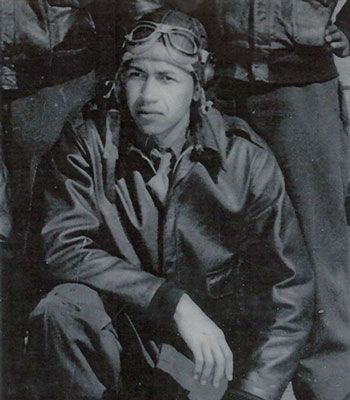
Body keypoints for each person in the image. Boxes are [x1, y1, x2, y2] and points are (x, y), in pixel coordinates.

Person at [25, 9, 314, 400]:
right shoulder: (87, 144)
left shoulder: (245, 160)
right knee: (63, 309)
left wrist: (255, 391)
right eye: (136, 75)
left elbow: (289, 289)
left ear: (197, 88)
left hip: (208, 362)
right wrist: (171, 301)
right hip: (122, 346)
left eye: (167, 78)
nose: (146, 95)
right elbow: (63, 247)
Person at [142, 1, 350, 399]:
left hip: (300, 88)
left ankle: (328, 390)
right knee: (212, 244)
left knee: (319, 254)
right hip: (215, 81)